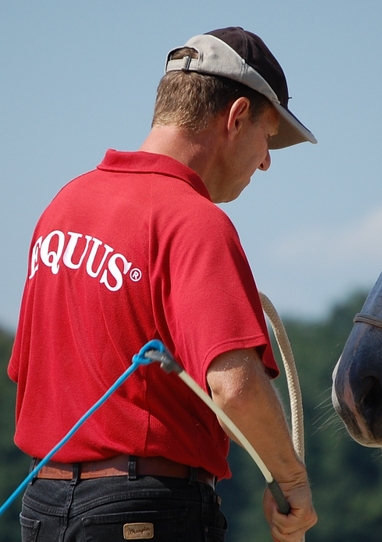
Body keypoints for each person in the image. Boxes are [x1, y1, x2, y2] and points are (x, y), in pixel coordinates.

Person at [8, 27, 317, 542]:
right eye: (268, 138)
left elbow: (26, 374)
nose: (265, 161)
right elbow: (235, 387)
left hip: (42, 509)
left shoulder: (61, 208)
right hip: (145, 514)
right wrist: (292, 481)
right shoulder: (194, 222)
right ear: (236, 117)